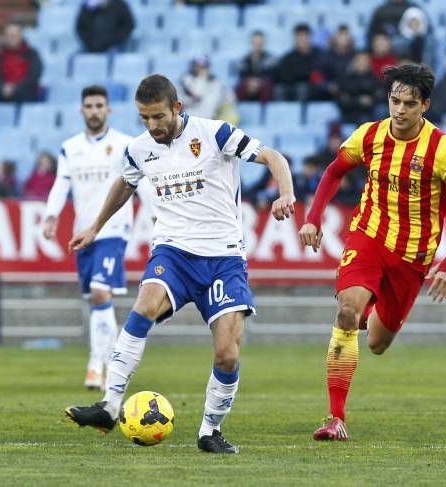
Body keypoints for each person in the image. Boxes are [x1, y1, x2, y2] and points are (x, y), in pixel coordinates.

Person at [64, 74, 295, 454]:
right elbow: (125, 183)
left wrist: (285, 193)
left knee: (227, 352)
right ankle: (109, 405)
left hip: (223, 258)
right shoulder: (139, 149)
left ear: (177, 108)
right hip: (173, 252)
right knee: (143, 306)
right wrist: (95, 226)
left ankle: (209, 431)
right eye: (144, 119)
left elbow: (273, 157)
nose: (152, 126)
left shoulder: (214, 133)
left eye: (157, 117)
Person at [297, 64, 446, 441]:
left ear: (425, 106)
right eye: (394, 101)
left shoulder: (443, 151)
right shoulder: (369, 136)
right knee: (347, 311)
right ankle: (336, 418)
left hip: (412, 258)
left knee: (377, 344)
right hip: (367, 237)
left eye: (409, 104)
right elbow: (335, 172)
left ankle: (369, 309)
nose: (399, 110)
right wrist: (313, 218)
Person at [43, 85, 135, 391]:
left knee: (98, 291)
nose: (94, 110)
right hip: (84, 233)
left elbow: (140, 183)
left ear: (108, 110)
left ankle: (97, 365)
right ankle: (115, 361)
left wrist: (153, 216)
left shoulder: (125, 145)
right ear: (82, 110)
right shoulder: (70, 148)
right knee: (97, 301)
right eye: (89, 106)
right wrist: (52, 215)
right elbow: (60, 184)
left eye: (99, 105)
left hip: (113, 230)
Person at [275, 23, 329, 101]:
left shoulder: (320, 54)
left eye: (305, 36)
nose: (302, 39)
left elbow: (322, 74)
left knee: (303, 88)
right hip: (293, 88)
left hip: (316, 90)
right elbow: (285, 77)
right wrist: (307, 75)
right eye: (299, 36)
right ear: (295, 38)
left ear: (310, 37)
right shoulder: (288, 57)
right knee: (280, 89)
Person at [0, 22, 42, 103]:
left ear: (20, 36)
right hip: (4, 90)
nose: (11, 38)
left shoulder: (31, 54)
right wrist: (3, 87)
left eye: (14, 36)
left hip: (25, 90)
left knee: (22, 94)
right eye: (8, 36)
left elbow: (34, 76)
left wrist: (15, 87)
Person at [180, 55, 238, 123]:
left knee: (231, 112)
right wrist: (200, 79)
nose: (200, 70)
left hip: (210, 123)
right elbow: (193, 96)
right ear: (193, 67)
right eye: (197, 66)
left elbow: (230, 99)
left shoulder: (217, 84)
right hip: (189, 122)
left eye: (203, 67)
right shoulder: (184, 83)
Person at [235, 30, 276, 102]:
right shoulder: (245, 59)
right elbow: (242, 75)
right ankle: (241, 108)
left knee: (267, 86)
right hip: (249, 85)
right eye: (256, 41)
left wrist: (258, 82)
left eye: (260, 41)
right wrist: (251, 82)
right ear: (251, 42)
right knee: (241, 86)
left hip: (263, 84)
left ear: (264, 42)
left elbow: (272, 75)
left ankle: (265, 111)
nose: (258, 43)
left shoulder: (270, 58)